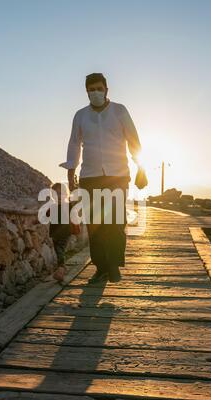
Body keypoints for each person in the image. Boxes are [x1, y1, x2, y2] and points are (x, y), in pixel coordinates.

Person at [60, 73, 142, 283]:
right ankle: (100, 267)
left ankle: (114, 266)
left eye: (98, 88)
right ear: (86, 92)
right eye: (91, 90)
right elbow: (74, 144)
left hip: (118, 175)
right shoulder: (80, 115)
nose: (95, 92)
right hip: (90, 175)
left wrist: (141, 167)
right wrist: (71, 172)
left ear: (106, 89)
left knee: (115, 222)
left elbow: (133, 139)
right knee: (94, 224)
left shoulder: (119, 110)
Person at [48, 182, 80, 282]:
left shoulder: (69, 205)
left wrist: (76, 226)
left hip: (65, 232)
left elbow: (74, 216)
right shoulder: (53, 206)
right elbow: (46, 215)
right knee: (58, 250)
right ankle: (61, 268)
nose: (58, 196)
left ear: (66, 194)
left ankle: (61, 268)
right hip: (55, 234)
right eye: (55, 194)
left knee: (60, 249)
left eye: (60, 193)